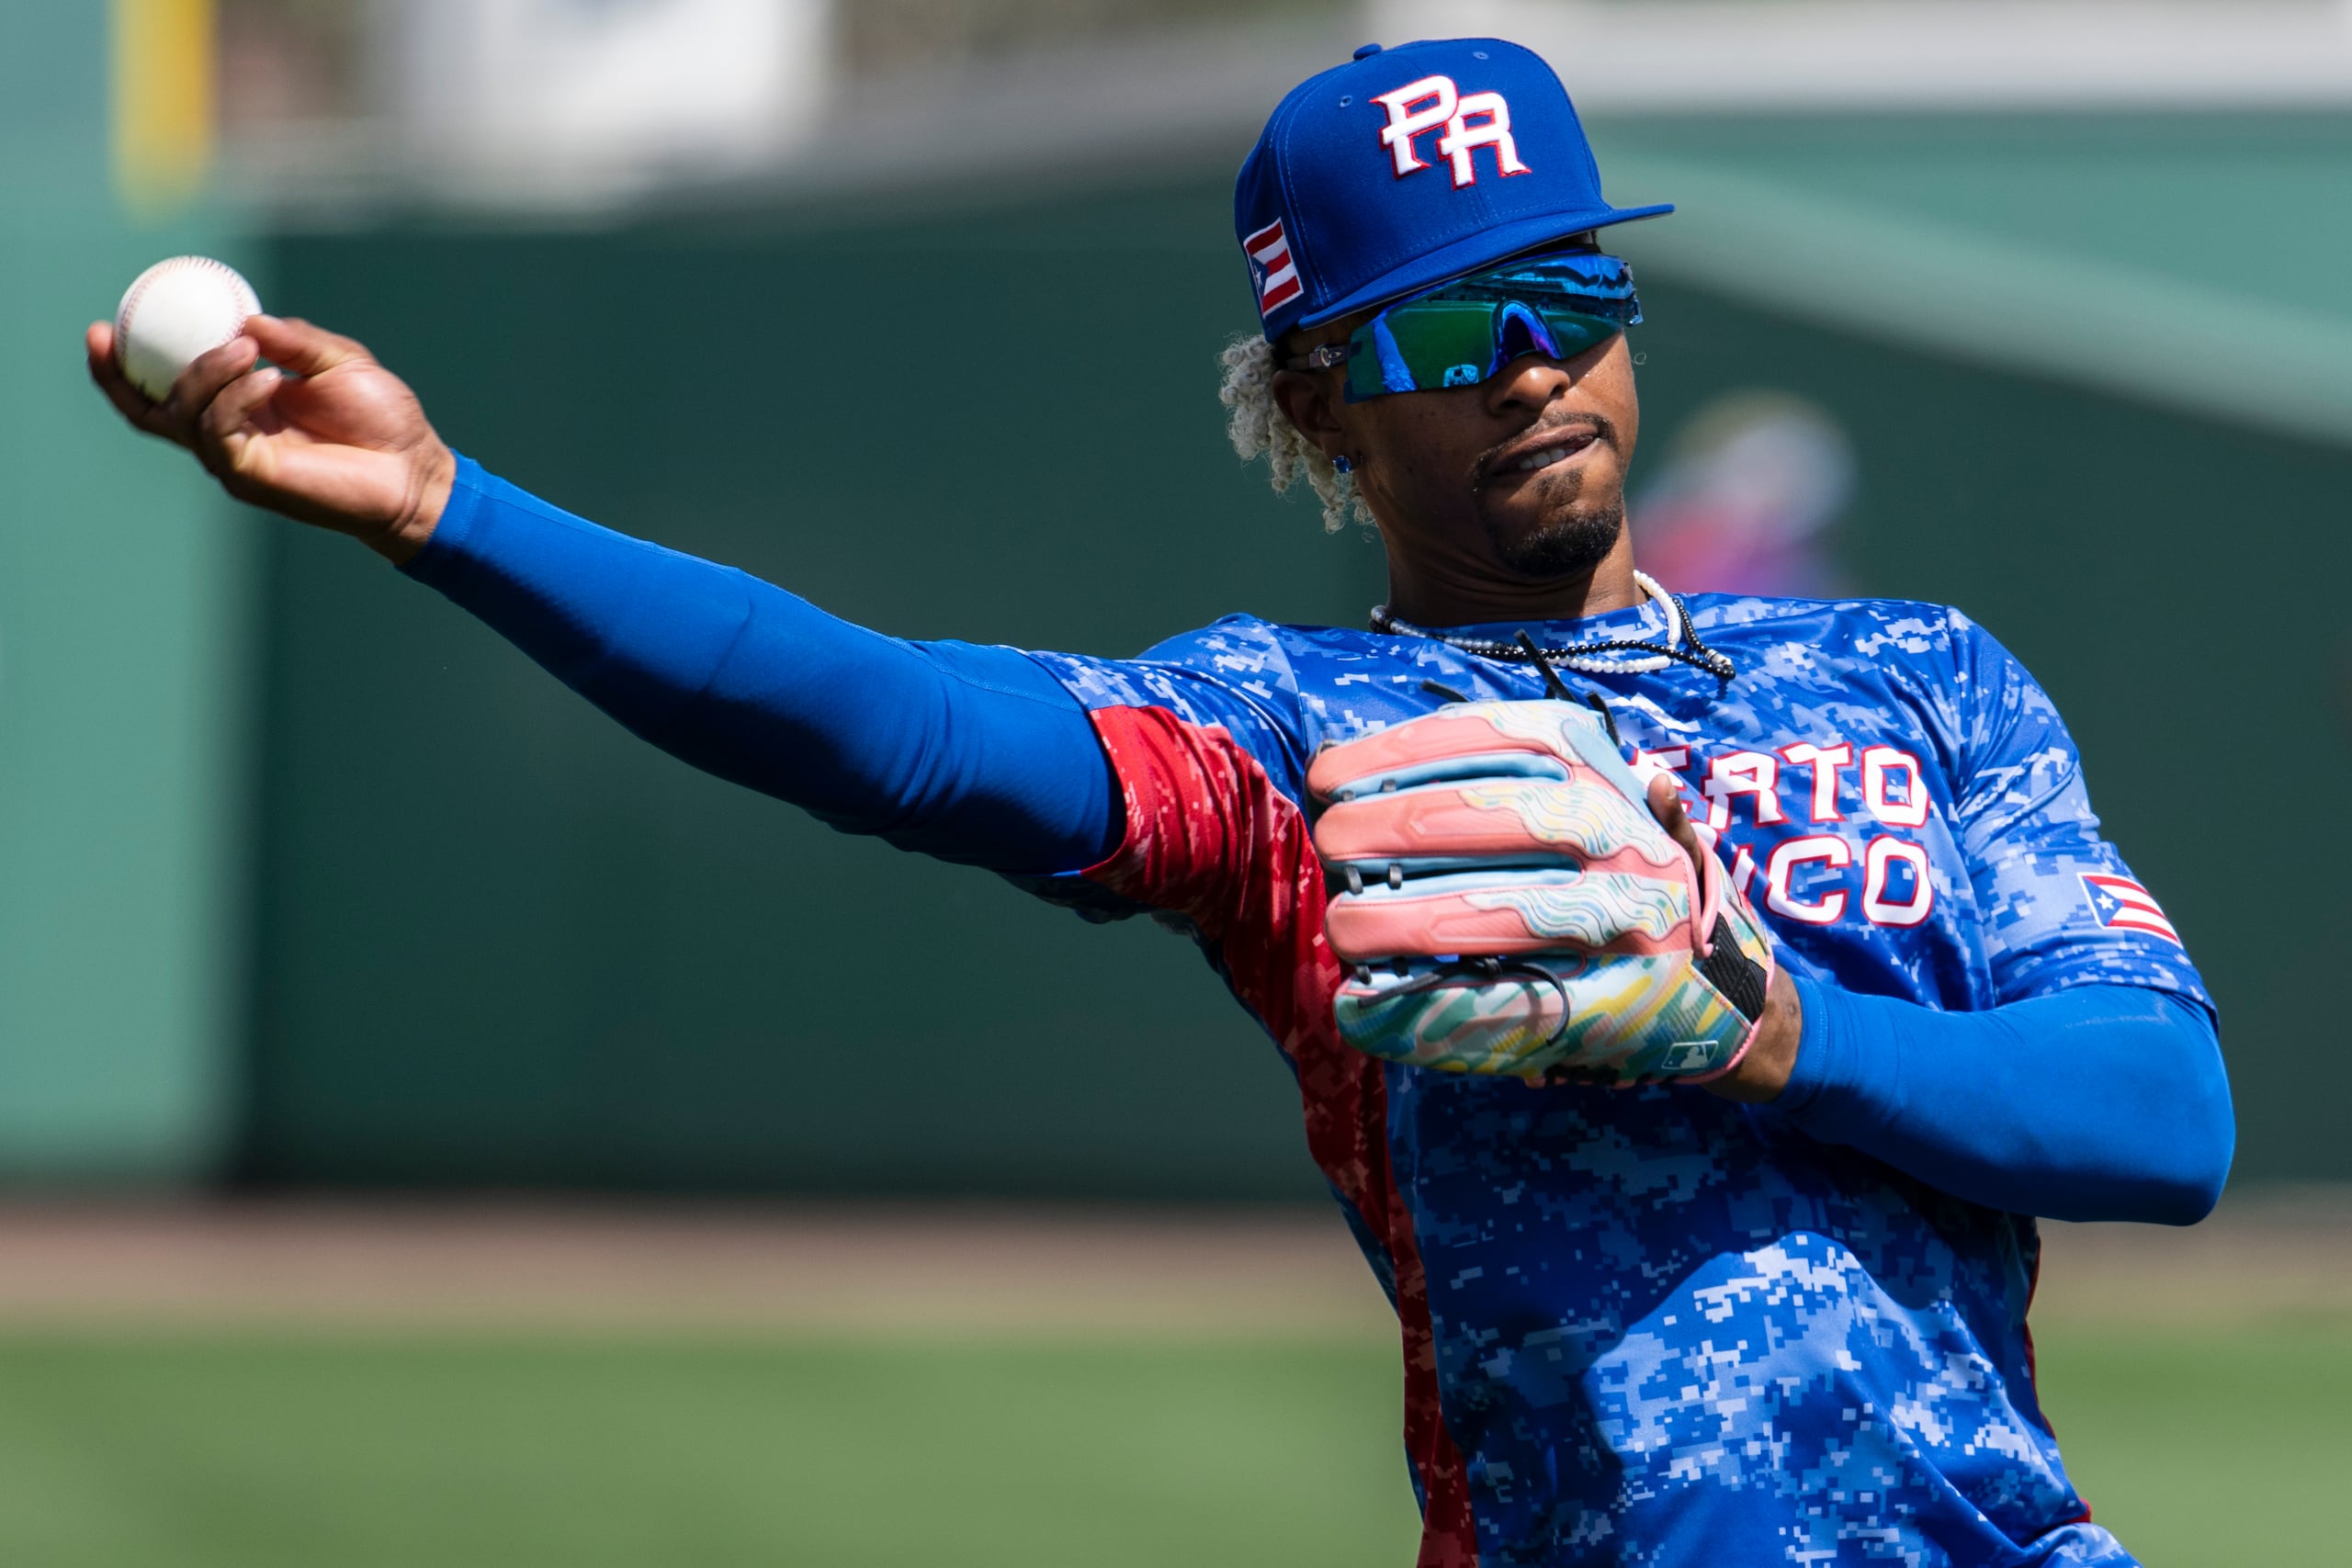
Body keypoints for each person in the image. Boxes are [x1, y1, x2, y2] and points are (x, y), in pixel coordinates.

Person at [89, 36, 2232, 1568]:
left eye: (1570, 296)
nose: (1526, 362)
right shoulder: (1279, 733)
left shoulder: (1916, 674)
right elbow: (888, 728)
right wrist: (454, 511)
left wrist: (1760, 1023)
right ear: (1312, 401)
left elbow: (2162, 1116)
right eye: (1444, 325)